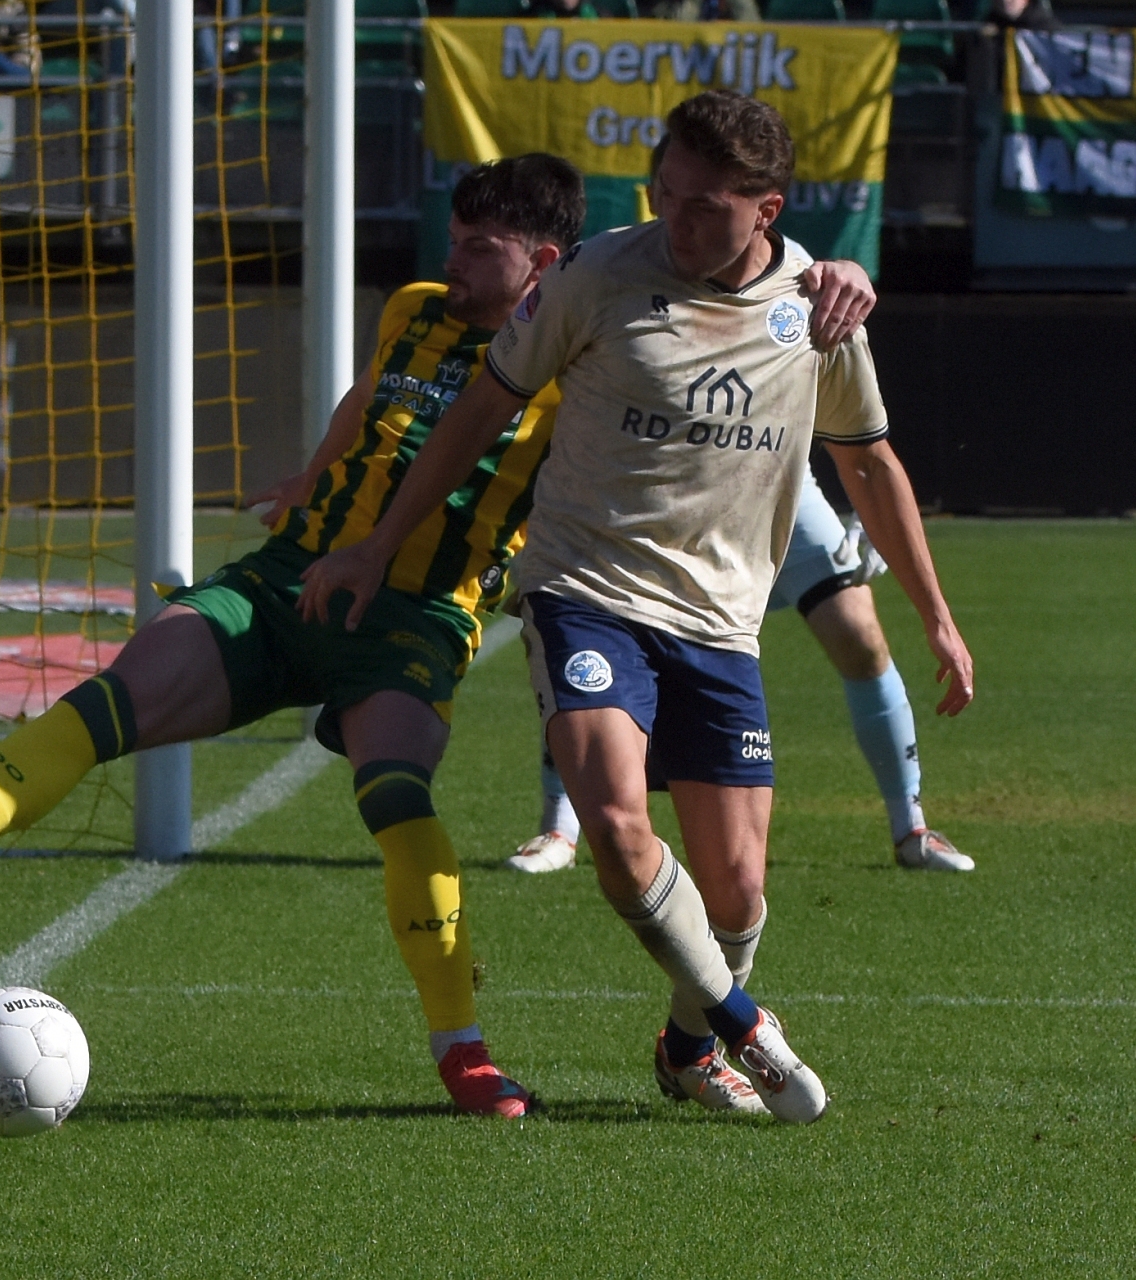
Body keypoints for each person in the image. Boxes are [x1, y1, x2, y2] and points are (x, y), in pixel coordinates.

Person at [0, 155, 589, 1119]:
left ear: (542, 260)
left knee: (398, 799)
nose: (451, 261)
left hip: (416, 616)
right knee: (104, 703)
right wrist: (308, 478)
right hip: (289, 580)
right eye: (451, 239)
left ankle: (464, 1053)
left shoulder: (576, 365)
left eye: (478, 249)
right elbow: (368, 403)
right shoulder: (414, 307)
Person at [298, 91, 974, 1124]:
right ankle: (748, 1020)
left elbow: (870, 463)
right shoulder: (595, 278)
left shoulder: (820, 311)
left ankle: (689, 1040)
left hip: (720, 622)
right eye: (664, 194)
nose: (677, 221)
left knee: (738, 889)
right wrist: (379, 542)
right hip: (586, 590)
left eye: (705, 207)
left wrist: (935, 616)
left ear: (768, 209)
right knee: (614, 822)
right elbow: (484, 403)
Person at [509, 465, 975, 875]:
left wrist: (870, 505)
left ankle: (911, 826)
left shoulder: (824, 357)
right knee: (601, 629)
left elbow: (857, 425)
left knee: (858, 633)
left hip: (776, 482)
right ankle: (560, 827)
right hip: (662, 481)